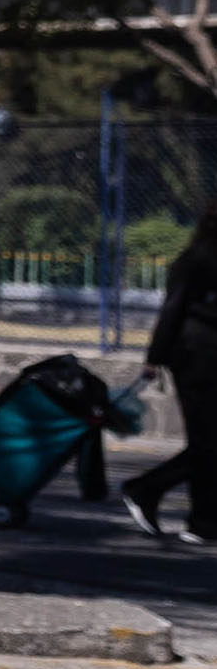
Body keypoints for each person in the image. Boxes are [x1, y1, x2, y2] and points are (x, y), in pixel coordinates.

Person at [125, 223, 217, 543]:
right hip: (197, 359)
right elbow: (173, 309)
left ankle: (202, 521)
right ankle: (151, 492)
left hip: (203, 357)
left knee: (208, 443)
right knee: (207, 442)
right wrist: (154, 357)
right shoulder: (196, 261)